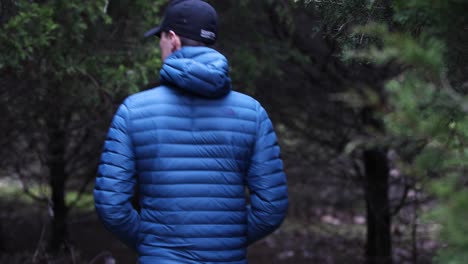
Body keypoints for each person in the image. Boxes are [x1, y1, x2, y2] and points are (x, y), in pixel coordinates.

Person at [93, 0, 288, 263]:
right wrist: (225, 241)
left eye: (160, 39)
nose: (160, 47)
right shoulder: (252, 113)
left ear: (172, 40)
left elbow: (111, 205)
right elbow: (271, 209)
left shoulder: (133, 110)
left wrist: (155, 245)